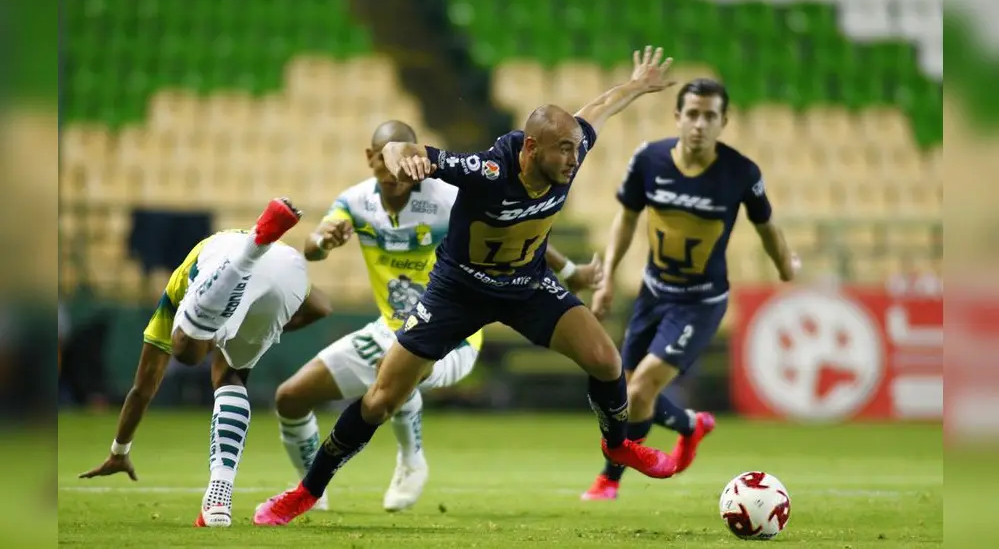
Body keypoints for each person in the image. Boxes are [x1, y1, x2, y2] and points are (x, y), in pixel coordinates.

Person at [253, 46, 680, 526]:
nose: (574, 157)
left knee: (605, 360)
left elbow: (596, 108)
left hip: (526, 284)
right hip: (458, 290)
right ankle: (305, 492)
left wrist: (636, 85)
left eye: (576, 148)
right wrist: (400, 156)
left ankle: (619, 445)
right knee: (380, 400)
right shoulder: (489, 172)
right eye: (564, 149)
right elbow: (406, 150)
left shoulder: (569, 151)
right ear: (532, 149)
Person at [274, 120, 604, 513]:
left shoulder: (447, 195)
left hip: (452, 332)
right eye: (385, 160)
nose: (397, 172)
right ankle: (315, 489)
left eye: (405, 161)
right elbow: (312, 248)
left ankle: (411, 460)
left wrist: (571, 274)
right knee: (290, 397)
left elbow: (518, 231)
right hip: (388, 329)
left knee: (400, 369)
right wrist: (323, 241)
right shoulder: (355, 202)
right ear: (371, 159)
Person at [581, 79, 801, 500]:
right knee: (623, 392)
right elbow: (626, 218)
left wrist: (785, 265)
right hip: (652, 293)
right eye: (693, 114)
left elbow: (767, 226)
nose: (700, 124)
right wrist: (608, 274)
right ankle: (688, 425)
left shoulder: (740, 172)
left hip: (699, 303)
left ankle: (610, 477)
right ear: (678, 117)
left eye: (710, 116)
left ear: (723, 122)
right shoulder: (649, 160)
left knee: (641, 388)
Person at [79, 198, 333, 528]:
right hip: (288, 268)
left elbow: (143, 389)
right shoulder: (258, 253)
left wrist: (120, 449)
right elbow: (322, 307)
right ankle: (218, 496)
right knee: (229, 376)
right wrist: (269, 328)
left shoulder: (174, 290)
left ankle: (242, 264)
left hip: (233, 260)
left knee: (185, 352)